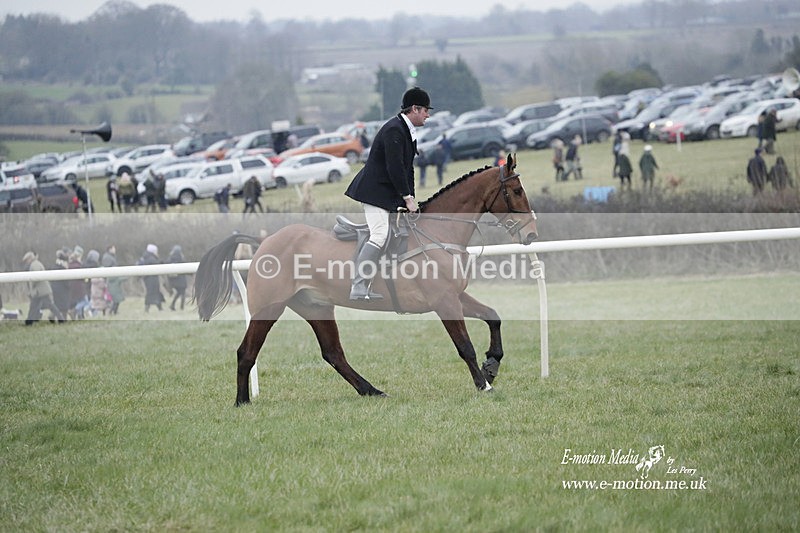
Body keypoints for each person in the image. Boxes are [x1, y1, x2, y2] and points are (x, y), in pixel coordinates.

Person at [344, 86, 431, 300]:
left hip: (386, 194)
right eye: (426, 110)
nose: (428, 115)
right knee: (380, 234)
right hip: (373, 192)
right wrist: (407, 198)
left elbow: (408, 168)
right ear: (415, 109)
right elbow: (395, 168)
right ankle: (359, 284)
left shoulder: (406, 129)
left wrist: (411, 197)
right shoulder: (394, 129)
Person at [22, 251, 65, 325]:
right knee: (34, 306)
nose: (26, 262)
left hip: (41, 291)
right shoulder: (35, 264)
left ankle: (61, 319)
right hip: (40, 291)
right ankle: (29, 322)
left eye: (26, 260)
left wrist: (32, 287)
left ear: (30, 259)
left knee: (49, 306)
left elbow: (36, 277)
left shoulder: (34, 265)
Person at [138, 244, 164, 312]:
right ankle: (149, 308)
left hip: (149, 278)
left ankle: (159, 307)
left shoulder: (146, 256)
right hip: (151, 278)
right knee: (152, 293)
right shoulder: (151, 258)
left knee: (154, 292)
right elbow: (155, 264)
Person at [102, 244, 125, 315]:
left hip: (115, 279)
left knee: (117, 297)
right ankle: (111, 311)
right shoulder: (107, 258)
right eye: (113, 248)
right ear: (110, 249)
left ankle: (114, 311)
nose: (115, 250)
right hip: (112, 280)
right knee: (115, 298)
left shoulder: (111, 257)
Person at [51, 247, 71, 319]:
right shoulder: (63, 267)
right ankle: (63, 318)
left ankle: (53, 316)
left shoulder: (54, 265)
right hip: (62, 288)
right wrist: (69, 285)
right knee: (64, 306)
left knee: (57, 304)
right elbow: (66, 279)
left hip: (55, 287)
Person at [166, 245, 188, 311]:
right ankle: (181, 308)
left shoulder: (170, 258)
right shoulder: (181, 258)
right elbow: (185, 268)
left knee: (178, 293)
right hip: (181, 280)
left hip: (174, 280)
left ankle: (172, 305)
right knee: (183, 294)